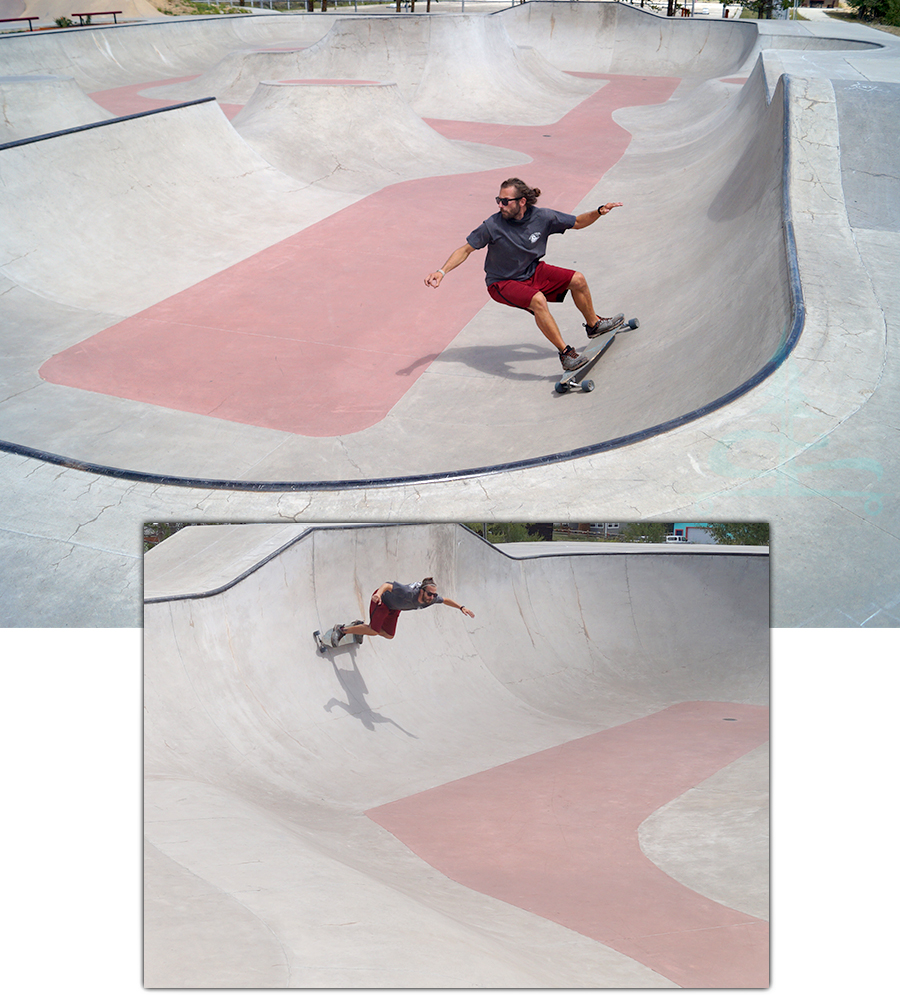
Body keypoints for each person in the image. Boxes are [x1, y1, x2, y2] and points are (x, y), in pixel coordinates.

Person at [425, 178, 624, 371]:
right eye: (498, 201)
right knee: (538, 300)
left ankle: (594, 325)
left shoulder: (543, 217)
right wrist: (442, 271)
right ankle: (565, 353)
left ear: (522, 202)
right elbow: (465, 250)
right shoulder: (492, 225)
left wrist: (599, 211)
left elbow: (578, 222)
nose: (500, 205)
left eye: (505, 201)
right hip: (502, 283)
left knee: (577, 279)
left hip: (532, 271)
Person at [333, 577, 474, 642]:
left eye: (434, 595)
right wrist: (378, 594)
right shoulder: (408, 592)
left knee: (389, 635)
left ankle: (361, 628)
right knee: (374, 631)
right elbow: (387, 585)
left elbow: (446, 600)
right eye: (429, 594)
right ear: (422, 591)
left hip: (395, 609)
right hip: (383, 601)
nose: (432, 597)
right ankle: (342, 630)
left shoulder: (431, 599)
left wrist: (461, 607)